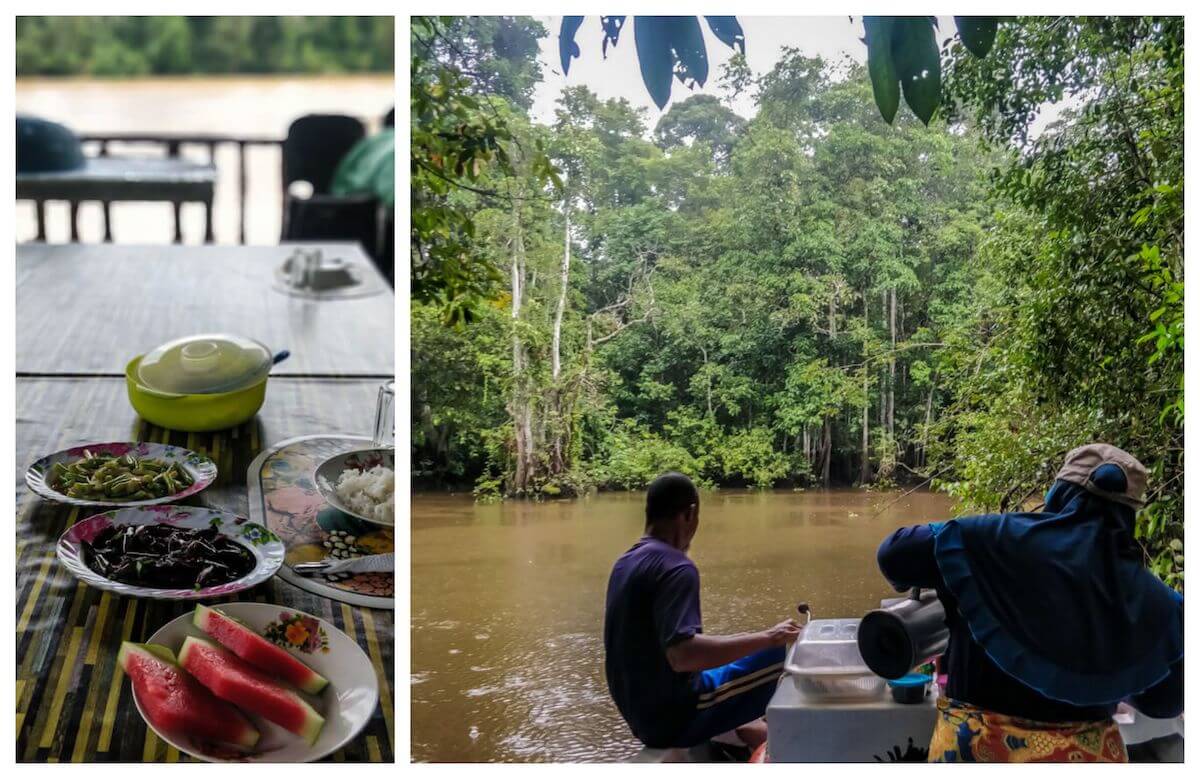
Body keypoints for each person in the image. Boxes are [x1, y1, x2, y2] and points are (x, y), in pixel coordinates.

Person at [875, 444, 1183, 763]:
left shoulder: (992, 538)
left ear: (1059, 492)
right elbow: (1166, 702)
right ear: (1129, 513)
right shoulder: (1161, 602)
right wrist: (1106, 677)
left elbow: (894, 553)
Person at [603, 472, 802, 752]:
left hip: (642, 717)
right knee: (779, 658)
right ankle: (804, 743)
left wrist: (752, 638)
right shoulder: (677, 567)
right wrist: (770, 637)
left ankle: (744, 728)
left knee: (746, 652)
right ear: (690, 514)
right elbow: (683, 656)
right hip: (674, 718)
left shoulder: (625, 562)